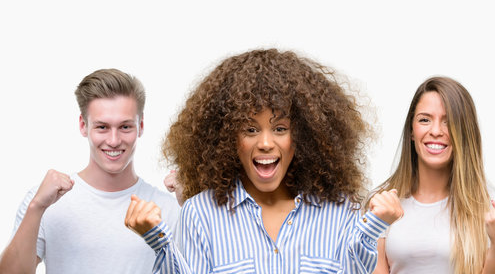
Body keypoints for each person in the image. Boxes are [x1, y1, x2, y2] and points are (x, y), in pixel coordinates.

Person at [125, 48, 403, 273]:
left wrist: (375, 225)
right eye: (250, 129)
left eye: (280, 128)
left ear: (303, 137)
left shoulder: (340, 210)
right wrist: (157, 239)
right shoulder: (201, 214)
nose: (266, 143)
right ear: (228, 138)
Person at [0, 68, 180, 274]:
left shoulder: (170, 209)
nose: (113, 140)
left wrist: (191, 203)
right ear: (83, 126)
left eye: (125, 127)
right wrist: (37, 207)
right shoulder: (46, 202)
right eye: (102, 127)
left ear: (141, 125)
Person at [371, 76, 495, 274]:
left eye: (449, 122)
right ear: (412, 131)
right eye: (424, 120)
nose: (436, 131)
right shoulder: (381, 203)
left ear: (464, 133)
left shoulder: (489, 205)